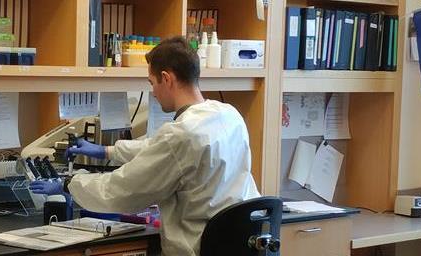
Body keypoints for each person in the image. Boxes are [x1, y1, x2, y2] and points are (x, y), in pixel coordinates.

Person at [28, 36, 261, 255]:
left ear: (167, 78)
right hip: (235, 245)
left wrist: (69, 184)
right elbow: (164, 150)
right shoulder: (229, 115)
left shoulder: (181, 134)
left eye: (152, 83)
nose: (154, 93)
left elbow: (122, 190)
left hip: (195, 248)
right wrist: (106, 151)